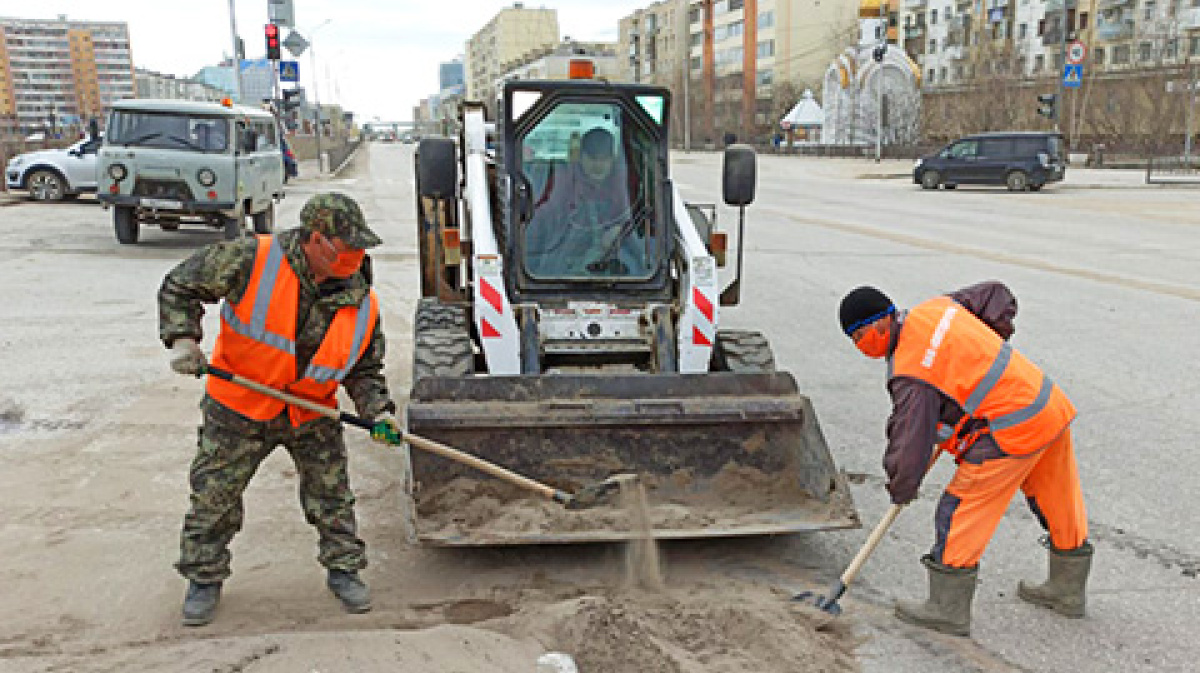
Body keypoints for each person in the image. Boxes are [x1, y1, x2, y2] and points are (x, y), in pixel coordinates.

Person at [158, 192, 398, 627]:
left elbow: (364, 367)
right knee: (215, 496)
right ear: (315, 239)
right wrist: (183, 340)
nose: (354, 257)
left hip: (311, 411)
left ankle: (343, 571)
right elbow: (180, 286)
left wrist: (378, 411)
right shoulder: (252, 258)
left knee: (332, 498)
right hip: (239, 407)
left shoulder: (361, 299)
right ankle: (204, 578)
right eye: (346, 247)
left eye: (360, 247)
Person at [837, 281, 1091, 637]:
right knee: (1056, 499)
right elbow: (996, 295)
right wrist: (978, 352)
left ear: (878, 324)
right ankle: (1067, 591)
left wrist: (902, 486)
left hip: (1010, 428)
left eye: (857, 337)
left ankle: (946, 609)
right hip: (1046, 405)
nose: (859, 346)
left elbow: (910, 439)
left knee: (959, 511)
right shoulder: (937, 308)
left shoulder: (910, 370)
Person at [523, 127, 645, 277]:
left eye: (604, 159)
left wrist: (620, 231)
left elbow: (634, 221)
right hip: (565, 253)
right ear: (581, 157)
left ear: (612, 159)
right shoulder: (564, 183)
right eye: (592, 158)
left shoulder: (622, 185)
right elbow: (543, 219)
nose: (598, 166)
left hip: (610, 258)